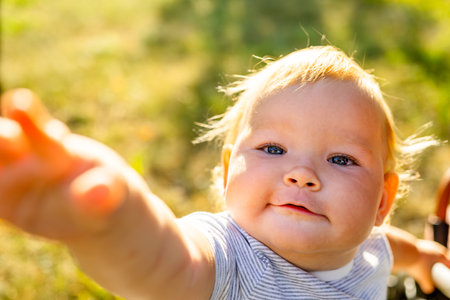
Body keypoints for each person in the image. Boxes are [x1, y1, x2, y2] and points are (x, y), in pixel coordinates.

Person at [0, 46, 448, 299]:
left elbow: (397, 249)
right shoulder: (231, 258)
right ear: (228, 168)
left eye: (341, 159)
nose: (301, 174)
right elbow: (159, 263)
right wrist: (113, 222)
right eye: (273, 148)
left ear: (383, 203)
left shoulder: (369, 249)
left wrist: (426, 259)